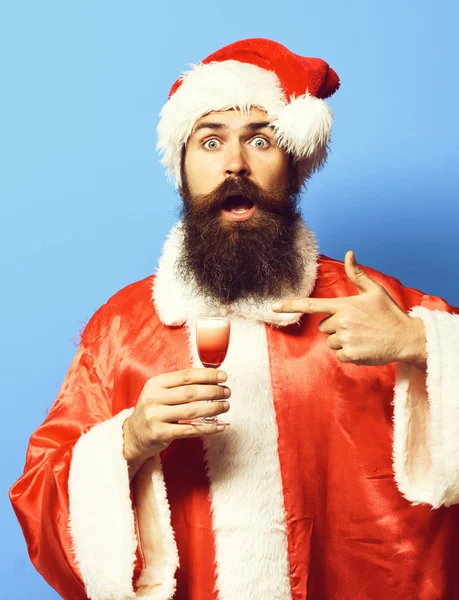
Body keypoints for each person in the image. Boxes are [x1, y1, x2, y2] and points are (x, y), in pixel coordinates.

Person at [10, 38, 459, 600]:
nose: (234, 163)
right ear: (182, 170)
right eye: (211, 140)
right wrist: (128, 439)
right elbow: (39, 493)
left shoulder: (371, 304)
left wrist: (422, 342)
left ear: (295, 169)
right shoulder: (123, 329)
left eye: (261, 140)